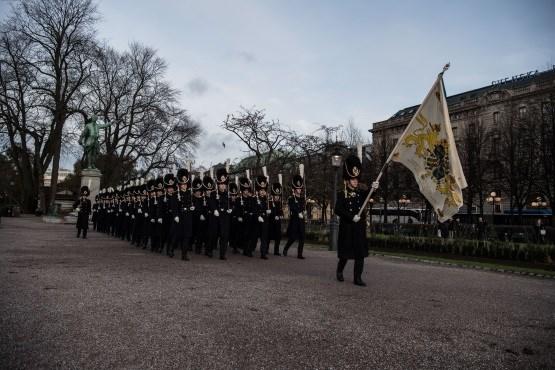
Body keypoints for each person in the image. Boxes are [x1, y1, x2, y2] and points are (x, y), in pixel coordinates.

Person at [334, 154, 379, 287]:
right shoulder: (342, 194)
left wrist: (374, 187)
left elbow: (370, 194)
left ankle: (357, 278)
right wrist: (350, 216)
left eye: (356, 179)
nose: (355, 181)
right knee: (345, 255)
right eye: (352, 179)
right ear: (348, 180)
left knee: (360, 254)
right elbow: (337, 210)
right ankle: (339, 271)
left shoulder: (361, 192)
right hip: (347, 228)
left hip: (359, 228)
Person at [283, 174, 306, 259]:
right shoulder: (291, 198)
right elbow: (292, 208)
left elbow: (303, 208)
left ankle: (299, 254)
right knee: (292, 237)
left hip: (301, 220)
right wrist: (297, 213)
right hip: (295, 220)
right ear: (294, 189)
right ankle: (285, 249)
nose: (299, 190)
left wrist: (304, 212)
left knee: (302, 237)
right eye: (297, 188)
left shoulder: (302, 198)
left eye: (300, 188)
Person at [269, 182, 284, 256]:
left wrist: (281, 215)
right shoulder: (270, 202)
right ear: (273, 195)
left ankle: (276, 251)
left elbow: (281, 212)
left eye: (278, 195)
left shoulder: (280, 203)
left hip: (278, 223)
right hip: (271, 223)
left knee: (278, 238)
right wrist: (273, 215)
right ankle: (266, 249)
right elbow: (269, 212)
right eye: (276, 195)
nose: (277, 197)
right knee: (268, 237)